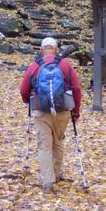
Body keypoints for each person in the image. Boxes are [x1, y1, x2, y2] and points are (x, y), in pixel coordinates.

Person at [20, 37, 81, 194]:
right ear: (56, 50)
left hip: (40, 110)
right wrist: (76, 111)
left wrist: (29, 101)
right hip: (62, 111)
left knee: (44, 146)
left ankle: (47, 181)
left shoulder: (35, 65)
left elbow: (23, 89)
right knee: (58, 142)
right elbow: (76, 88)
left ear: (41, 50)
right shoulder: (65, 64)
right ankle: (57, 174)